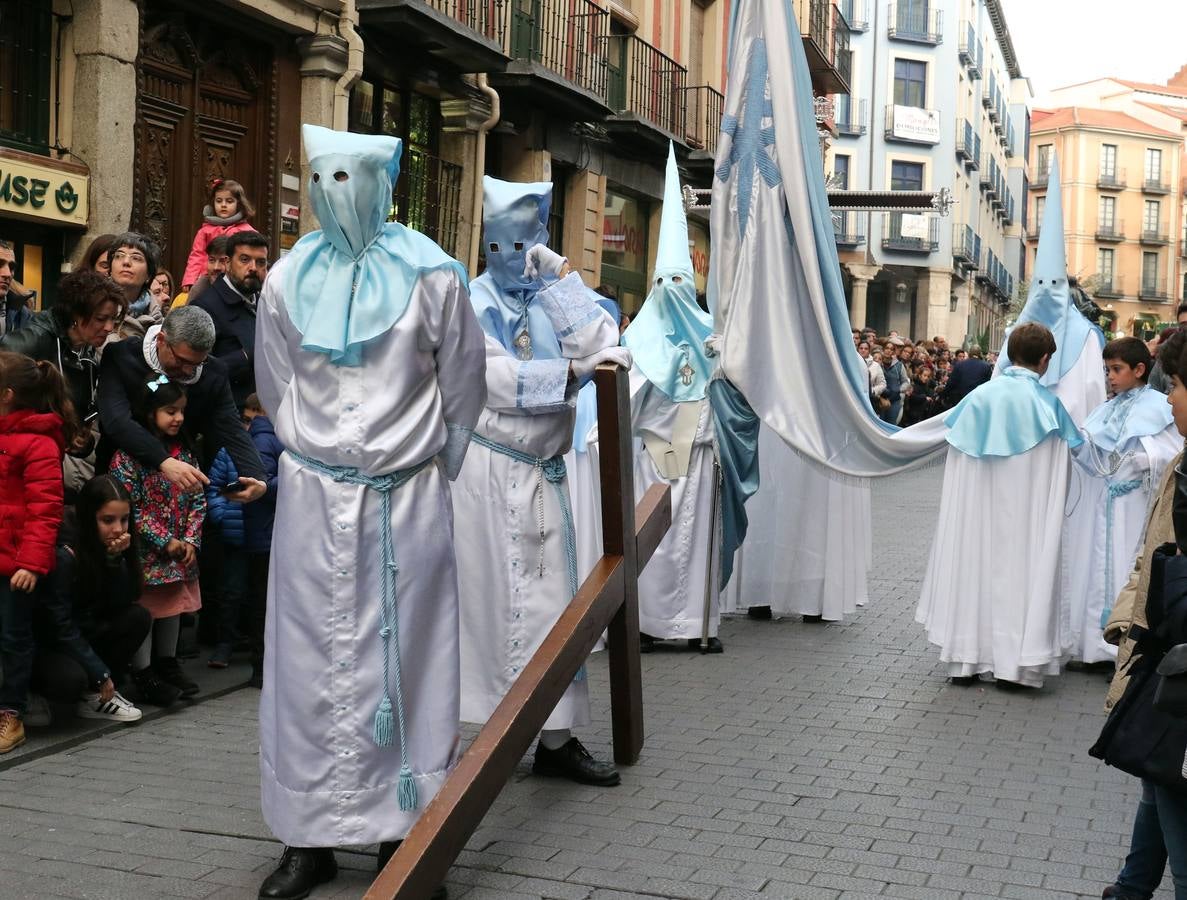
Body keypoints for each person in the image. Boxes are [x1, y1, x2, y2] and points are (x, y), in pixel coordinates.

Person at [253, 124, 486, 900]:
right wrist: (311, 454)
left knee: (411, 658)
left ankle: (403, 834)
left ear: (383, 185)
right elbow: (276, 381)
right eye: (322, 179)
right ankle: (306, 836)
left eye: (350, 179)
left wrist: (431, 467)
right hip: (314, 499)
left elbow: (463, 385)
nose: (335, 196)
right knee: (303, 664)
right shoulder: (285, 278)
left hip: (405, 497)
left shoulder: (433, 277)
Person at [454, 175, 627, 789]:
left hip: (544, 477)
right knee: (488, 607)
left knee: (552, 609)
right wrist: (575, 374)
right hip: (487, 475)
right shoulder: (469, 299)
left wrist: (561, 278)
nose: (511, 257)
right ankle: (481, 737)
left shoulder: (553, 293)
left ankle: (555, 738)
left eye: (525, 244)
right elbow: (495, 381)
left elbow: (606, 344)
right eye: (500, 243)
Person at [916, 323, 1082, 689]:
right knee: (1020, 571)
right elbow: (1062, 473)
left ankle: (965, 660)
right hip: (1026, 517)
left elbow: (957, 465)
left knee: (973, 564)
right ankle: (1014, 667)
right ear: (1045, 359)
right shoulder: (1048, 408)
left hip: (976, 515)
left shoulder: (978, 400)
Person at [618, 144, 721, 653]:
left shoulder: (711, 335)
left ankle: (696, 626)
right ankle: (647, 624)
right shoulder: (638, 340)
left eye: (682, 280)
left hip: (698, 461)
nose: (674, 290)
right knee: (654, 542)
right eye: (666, 281)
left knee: (695, 543)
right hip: (656, 460)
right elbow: (626, 402)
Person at [1100, 327, 1187, 900]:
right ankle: (1131, 889)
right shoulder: (1182, 462)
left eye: (1176, 384)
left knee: (1170, 777)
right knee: (1156, 773)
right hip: (1162, 645)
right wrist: (1127, 617)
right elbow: (1150, 552)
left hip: (1176, 651)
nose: (1170, 396)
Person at [1061, 337, 1180, 667]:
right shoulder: (1106, 409)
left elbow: (1173, 450)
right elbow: (1096, 458)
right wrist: (1077, 445)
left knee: (1127, 566)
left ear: (1139, 369)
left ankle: (1121, 648)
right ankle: (1094, 646)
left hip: (1135, 503)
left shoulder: (1159, 406)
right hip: (1106, 503)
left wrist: (1149, 459)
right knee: (1098, 569)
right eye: (1107, 370)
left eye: (1116, 369)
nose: (1110, 377)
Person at [96, 304, 267, 496]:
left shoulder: (213, 374)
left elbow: (231, 428)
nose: (187, 370)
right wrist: (164, 460)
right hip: (117, 481)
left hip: (178, 488)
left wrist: (257, 475)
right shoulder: (122, 356)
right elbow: (116, 420)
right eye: (181, 360)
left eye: (197, 363)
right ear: (161, 340)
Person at [109, 378, 206, 705]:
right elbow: (129, 508)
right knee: (148, 609)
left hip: (179, 552)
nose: (179, 418)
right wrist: (164, 541)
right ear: (150, 412)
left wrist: (190, 539)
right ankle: (144, 671)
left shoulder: (185, 453)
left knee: (173, 607)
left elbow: (198, 499)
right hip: (146, 554)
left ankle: (168, 662)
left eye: (181, 411)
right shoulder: (128, 457)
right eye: (170, 411)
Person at [0, 352, 76, 752]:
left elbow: (45, 510)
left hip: (16, 565)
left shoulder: (39, 443)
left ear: (8, 395)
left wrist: (30, 563)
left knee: (14, 636)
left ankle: (11, 713)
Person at [33, 475, 151, 723]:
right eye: (108, 520)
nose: (118, 529)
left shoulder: (112, 545)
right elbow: (59, 624)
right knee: (70, 679)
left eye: (124, 519)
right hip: (52, 643)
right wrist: (99, 671)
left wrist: (115, 561)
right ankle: (35, 694)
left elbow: (126, 599)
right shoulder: (65, 553)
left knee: (137, 617)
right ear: (89, 517)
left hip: (86, 630)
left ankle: (96, 696)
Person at [192, 230, 267, 408]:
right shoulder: (204, 307)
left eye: (260, 262)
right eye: (244, 259)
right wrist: (246, 356)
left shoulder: (267, 302)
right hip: (229, 412)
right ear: (227, 262)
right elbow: (195, 371)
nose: (253, 267)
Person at [181, 178, 256, 290]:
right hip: (207, 278)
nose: (223, 205)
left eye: (229, 201)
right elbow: (197, 255)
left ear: (239, 204)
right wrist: (190, 280)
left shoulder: (247, 231)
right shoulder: (205, 231)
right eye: (219, 201)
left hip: (234, 280)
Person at [108, 233, 161, 318]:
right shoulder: (92, 304)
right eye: (119, 256)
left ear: (149, 275)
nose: (126, 262)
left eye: (136, 258)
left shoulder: (157, 319)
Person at [174, 235, 230, 309]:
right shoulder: (199, 290)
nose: (216, 267)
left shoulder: (241, 288)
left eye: (222, 261)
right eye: (211, 260)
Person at [941, 345, 993, 409]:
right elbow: (988, 384)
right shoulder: (986, 366)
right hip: (977, 400)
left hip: (961, 400)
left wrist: (943, 395)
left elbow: (951, 383)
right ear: (980, 354)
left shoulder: (959, 365)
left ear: (969, 353)